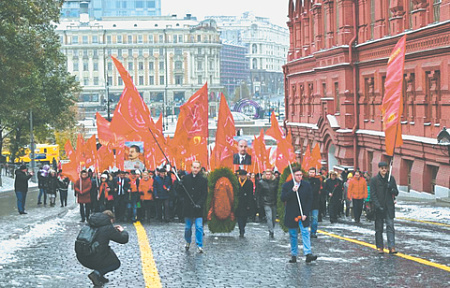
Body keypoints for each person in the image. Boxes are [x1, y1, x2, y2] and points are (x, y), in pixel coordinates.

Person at [76, 210, 129, 286]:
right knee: (115, 263)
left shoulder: (90, 224)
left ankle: (100, 277)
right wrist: (122, 231)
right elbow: (123, 239)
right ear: (110, 219)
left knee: (106, 251)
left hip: (82, 257)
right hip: (94, 258)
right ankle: (96, 274)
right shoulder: (107, 228)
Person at [281, 166, 318, 263]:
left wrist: (306, 213)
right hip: (292, 213)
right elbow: (283, 198)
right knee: (293, 235)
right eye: (297, 175)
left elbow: (309, 199)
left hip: (303, 213)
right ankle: (294, 254)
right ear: (293, 175)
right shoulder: (287, 185)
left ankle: (308, 253)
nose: (299, 177)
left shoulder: (306, 185)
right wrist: (292, 191)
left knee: (305, 233)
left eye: (301, 175)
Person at [370, 161, 399, 254]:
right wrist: (378, 206)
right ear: (379, 169)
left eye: (385, 168)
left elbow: (396, 192)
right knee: (379, 228)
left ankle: (391, 247)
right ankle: (380, 247)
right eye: (382, 168)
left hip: (389, 207)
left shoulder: (391, 179)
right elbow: (373, 195)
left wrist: (391, 188)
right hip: (379, 208)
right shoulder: (374, 180)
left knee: (390, 227)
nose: (384, 170)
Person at [182, 161, 208, 253]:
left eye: (197, 167)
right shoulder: (185, 178)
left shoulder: (203, 180)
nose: (195, 169)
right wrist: (179, 184)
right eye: (194, 167)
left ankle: (199, 245)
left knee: (199, 227)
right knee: (188, 228)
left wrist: (199, 204)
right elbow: (181, 192)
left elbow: (204, 194)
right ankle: (188, 241)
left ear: (200, 168)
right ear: (191, 168)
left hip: (198, 208)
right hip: (188, 207)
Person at [256, 168, 278, 238]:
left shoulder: (275, 182)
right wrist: (258, 203)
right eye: (267, 174)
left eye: (269, 174)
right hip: (266, 202)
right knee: (269, 217)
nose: (268, 176)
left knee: (273, 218)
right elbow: (258, 193)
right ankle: (271, 231)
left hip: (274, 201)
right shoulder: (261, 182)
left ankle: (272, 228)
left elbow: (277, 192)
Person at [236, 169, 254, 238]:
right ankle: (241, 230)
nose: (242, 177)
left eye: (244, 175)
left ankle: (243, 226)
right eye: (241, 175)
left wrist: (249, 204)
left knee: (244, 218)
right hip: (239, 202)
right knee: (239, 217)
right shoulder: (237, 182)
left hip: (246, 202)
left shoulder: (249, 183)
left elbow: (250, 194)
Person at [307, 167, 321, 238]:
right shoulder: (306, 181)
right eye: (311, 172)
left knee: (315, 219)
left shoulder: (317, 181)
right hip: (307, 203)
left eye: (313, 172)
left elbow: (315, 190)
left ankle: (313, 232)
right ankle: (308, 231)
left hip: (315, 203)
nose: (312, 174)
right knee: (308, 219)